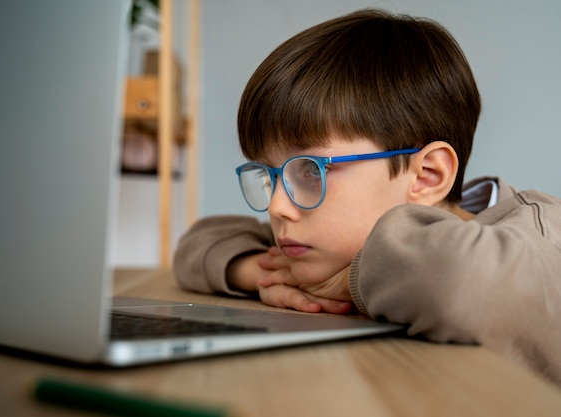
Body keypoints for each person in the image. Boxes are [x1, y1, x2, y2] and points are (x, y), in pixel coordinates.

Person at [172, 9, 561, 384]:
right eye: (270, 175)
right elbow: (198, 244)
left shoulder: (537, 239)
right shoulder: (327, 239)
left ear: (427, 176)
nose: (277, 206)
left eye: (311, 170)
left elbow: (461, 284)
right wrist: (261, 272)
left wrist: (350, 282)